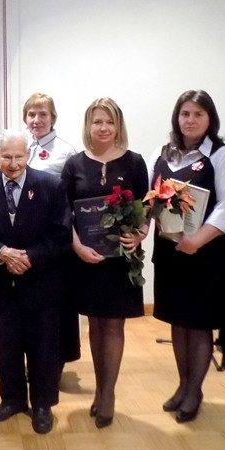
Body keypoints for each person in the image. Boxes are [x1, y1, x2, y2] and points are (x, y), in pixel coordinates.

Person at [147, 90, 225, 423]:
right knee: (177, 321)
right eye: (185, 113)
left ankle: (195, 391)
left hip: (205, 254)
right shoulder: (162, 153)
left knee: (198, 323)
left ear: (210, 119)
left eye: (198, 114)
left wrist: (197, 241)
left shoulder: (223, 155)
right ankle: (183, 384)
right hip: (169, 252)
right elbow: (150, 198)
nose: (190, 120)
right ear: (177, 117)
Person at [0, 130, 71, 434]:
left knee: (43, 348)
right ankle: (11, 399)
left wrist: (30, 257)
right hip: (2, 283)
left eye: (18, 156)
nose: (13, 164)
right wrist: (2, 253)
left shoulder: (51, 185)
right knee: (6, 347)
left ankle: (42, 405)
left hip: (42, 282)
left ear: (28, 154)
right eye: (6, 157)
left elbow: (61, 234)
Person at [60, 98, 148, 428]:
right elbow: (64, 211)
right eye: (97, 121)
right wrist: (76, 246)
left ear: (118, 126)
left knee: (113, 325)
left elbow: (146, 207)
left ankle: (108, 393)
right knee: (95, 324)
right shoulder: (74, 164)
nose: (103, 127)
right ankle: (99, 389)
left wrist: (139, 234)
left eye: (109, 122)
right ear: (88, 125)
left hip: (120, 259)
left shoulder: (134, 162)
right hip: (85, 257)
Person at [22, 92, 82, 372]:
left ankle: (53, 366)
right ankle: (31, 363)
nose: (37, 119)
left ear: (53, 118)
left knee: (53, 310)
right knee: (28, 309)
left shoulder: (66, 152)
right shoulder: (20, 146)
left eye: (43, 114)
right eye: (31, 114)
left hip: (53, 242)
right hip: (23, 240)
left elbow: (71, 201)